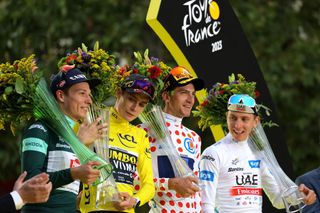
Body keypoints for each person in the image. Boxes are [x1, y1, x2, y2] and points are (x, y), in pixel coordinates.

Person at [200, 94, 316, 212]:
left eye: (244, 119)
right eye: (233, 118)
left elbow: (277, 199)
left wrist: (301, 196)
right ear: (226, 117)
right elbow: (205, 204)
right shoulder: (213, 153)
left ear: (255, 121)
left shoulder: (257, 154)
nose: (237, 125)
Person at [20, 68, 103, 212]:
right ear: (61, 96)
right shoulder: (39, 128)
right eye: (82, 93)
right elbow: (30, 181)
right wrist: (74, 173)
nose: (89, 100)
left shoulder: (77, 135)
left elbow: (65, 189)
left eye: (89, 95)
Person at [79, 74, 155, 213]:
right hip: (93, 209)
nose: (134, 108)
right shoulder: (93, 119)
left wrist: (134, 200)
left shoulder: (140, 135)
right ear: (119, 93)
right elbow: (68, 160)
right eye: (131, 99)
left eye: (141, 105)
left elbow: (149, 184)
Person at [136, 66, 205, 212]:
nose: (190, 100)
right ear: (166, 96)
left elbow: (197, 189)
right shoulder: (143, 131)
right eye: (184, 93)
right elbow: (130, 181)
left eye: (193, 94)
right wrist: (171, 184)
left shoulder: (193, 137)